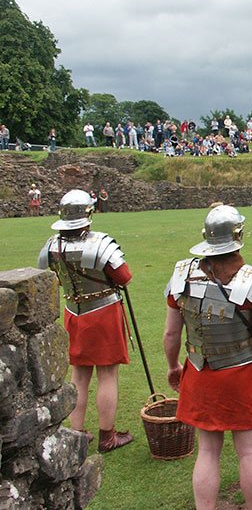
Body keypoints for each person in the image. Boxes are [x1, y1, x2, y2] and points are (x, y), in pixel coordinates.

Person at [163, 205, 252, 510]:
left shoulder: (182, 275)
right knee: (249, 452)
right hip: (241, 373)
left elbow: (171, 334)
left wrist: (173, 365)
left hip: (199, 371)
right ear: (238, 236)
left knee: (208, 451)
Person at [37, 189, 134, 452]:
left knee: (79, 375)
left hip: (73, 313)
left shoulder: (52, 245)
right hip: (103, 314)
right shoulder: (99, 242)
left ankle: (76, 432)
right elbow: (124, 276)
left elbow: (53, 276)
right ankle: (107, 437)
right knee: (107, 374)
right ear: (88, 214)